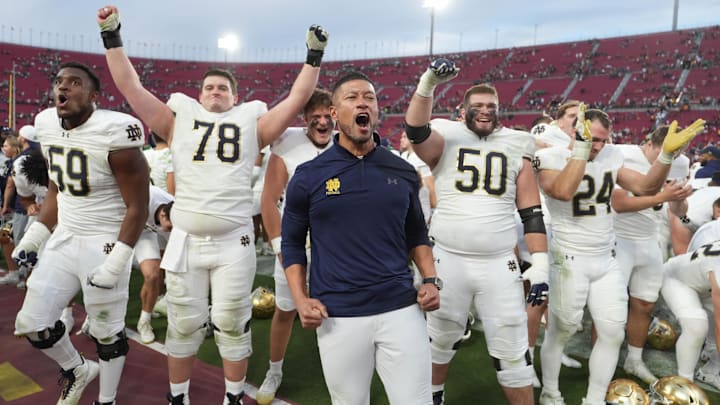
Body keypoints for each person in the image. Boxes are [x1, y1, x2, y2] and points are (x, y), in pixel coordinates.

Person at [97, 6, 328, 404]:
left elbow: (297, 98)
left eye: (223, 88)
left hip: (232, 240)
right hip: (186, 238)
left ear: (236, 97)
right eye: (210, 88)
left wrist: (313, 57)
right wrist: (111, 36)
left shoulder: (252, 122)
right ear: (199, 95)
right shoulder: (176, 119)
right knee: (184, 325)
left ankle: (234, 396)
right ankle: (178, 396)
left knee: (231, 323)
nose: (216, 92)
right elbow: (131, 87)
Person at [282, 71, 440, 405]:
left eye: (369, 97)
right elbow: (292, 243)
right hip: (338, 314)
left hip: (400, 307)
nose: (362, 102)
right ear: (335, 114)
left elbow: (416, 233)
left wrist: (431, 279)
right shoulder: (309, 176)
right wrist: (300, 299)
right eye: (352, 97)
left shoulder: (401, 170)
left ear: (377, 111)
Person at [534, 104, 705, 405]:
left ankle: (595, 399)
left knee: (612, 333)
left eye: (602, 140)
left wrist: (665, 155)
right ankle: (551, 392)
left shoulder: (612, 155)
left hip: (605, 257)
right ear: (576, 133)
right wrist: (582, 151)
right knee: (561, 332)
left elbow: (645, 185)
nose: (598, 146)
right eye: (593, 139)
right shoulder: (550, 157)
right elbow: (561, 191)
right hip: (568, 257)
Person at [405, 58, 549, 405]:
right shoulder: (447, 135)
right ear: (463, 111)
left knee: (513, 348)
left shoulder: (518, 142)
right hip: (448, 259)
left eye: (491, 106)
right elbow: (415, 131)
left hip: (499, 262)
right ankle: (433, 397)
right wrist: (427, 85)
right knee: (440, 338)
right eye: (478, 106)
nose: (485, 111)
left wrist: (541, 261)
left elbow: (530, 211)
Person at [13, 61, 149, 405]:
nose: (64, 87)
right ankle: (77, 369)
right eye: (59, 81)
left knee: (106, 331)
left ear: (94, 96)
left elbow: (137, 207)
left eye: (75, 82)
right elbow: (58, 189)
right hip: (65, 238)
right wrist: (36, 236)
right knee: (31, 322)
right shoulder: (46, 124)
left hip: (104, 239)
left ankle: (107, 399)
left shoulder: (116, 131)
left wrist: (118, 260)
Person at [255, 89, 334, 405]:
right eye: (315, 116)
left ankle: (340, 373)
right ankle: (274, 370)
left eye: (328, 115)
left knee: (339, 313)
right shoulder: (288, 143)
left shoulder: (348, 142)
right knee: (286, 310)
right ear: (305, 119)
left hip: (337, 249)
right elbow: (269, 200)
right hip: (297, 246)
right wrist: (279, 246)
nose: (323, 121)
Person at [610, 125, 693, 384]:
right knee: (610, 307)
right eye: (666, 154)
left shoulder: (679, 163)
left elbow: (679, 210)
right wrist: (662, 194)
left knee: (644, 304)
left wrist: (678, 198)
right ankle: (604, 360)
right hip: (616, 237)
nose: (669, 160)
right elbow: (619, 203)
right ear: (651, 145)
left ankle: (634, 360)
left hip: (649, 239)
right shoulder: (622, 154)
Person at [134, 185, 174, 344]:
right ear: (163, 215)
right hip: (118, 227)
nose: (172, 230)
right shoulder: (143, 195)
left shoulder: (174, 213)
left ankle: (144, 321)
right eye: (170, 227)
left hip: (145, 231)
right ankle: (92, 316)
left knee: (153, 275)